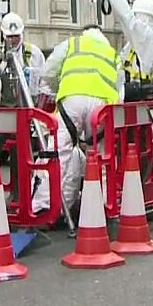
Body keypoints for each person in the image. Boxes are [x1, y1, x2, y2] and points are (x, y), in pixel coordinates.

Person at [40, 24, 121, 216]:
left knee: (58, 151)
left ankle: (45, 205)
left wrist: (55, 90)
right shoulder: (111, 53)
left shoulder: (72, 44)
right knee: (101, 155)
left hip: (73, 100)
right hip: (101, 105)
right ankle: (102, 205)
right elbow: (119, 87)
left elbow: (48, 72)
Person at [85, 0, 153, 102]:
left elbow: (127, 17)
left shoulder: (148, 37)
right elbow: (125, 20)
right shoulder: (141, 42)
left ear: (143, 16)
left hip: (134, 96)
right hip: (129, 94)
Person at [0, 12, 47, 108]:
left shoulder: (34, 53)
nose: (13, 40)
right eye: (9, 37)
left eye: (16, 36)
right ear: (3, 35)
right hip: (0, 109)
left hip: (28, 109)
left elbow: (45, 83)